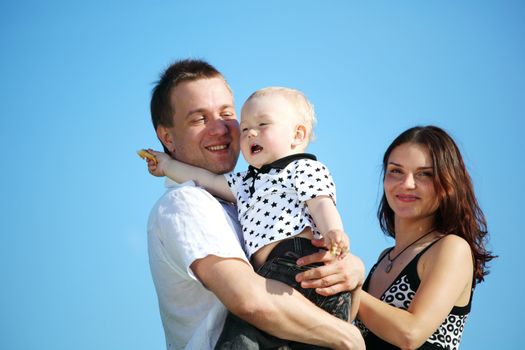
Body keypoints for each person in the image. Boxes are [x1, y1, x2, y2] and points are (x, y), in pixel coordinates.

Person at [145, 58, 365, 349]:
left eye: (226, 114)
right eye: (199, 119)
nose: (221, 129)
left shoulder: (248, 193)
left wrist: (354, 271)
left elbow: (321, 208)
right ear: (167, 137)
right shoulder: (185, 202)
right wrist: (346, 337)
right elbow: (249, 300)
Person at [355, 125, 496, 349]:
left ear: (449, 184)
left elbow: (411, 334)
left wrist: (349, 290)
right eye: (396, 171)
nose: (407, 184)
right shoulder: (384, 259)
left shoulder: (451, 248)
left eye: (424, 174)